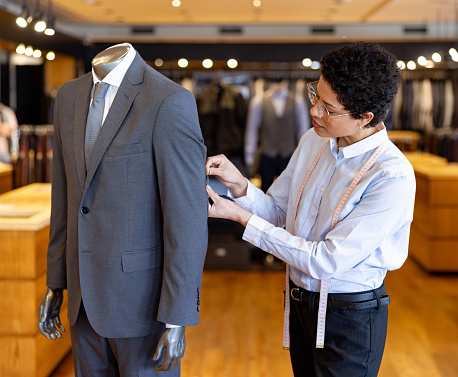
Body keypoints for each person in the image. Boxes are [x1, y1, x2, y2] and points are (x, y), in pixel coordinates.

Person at [205, 42, 415, 377]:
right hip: (300, 304)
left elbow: (324, 260)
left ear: (365, 117)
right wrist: (238, 185)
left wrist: (242, 218)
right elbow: (280, 213)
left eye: (329, 109)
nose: (315, 111)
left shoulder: (391, 176)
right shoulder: (313, 140)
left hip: (350, 318)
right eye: (315, 95)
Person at [37, 43, 208, 376]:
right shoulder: (69, 97)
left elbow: (186, 219)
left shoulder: (167, 101)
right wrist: (56, 281)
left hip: (142, 308)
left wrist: (177, 317)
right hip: (82, 302)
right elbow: (65, 201)